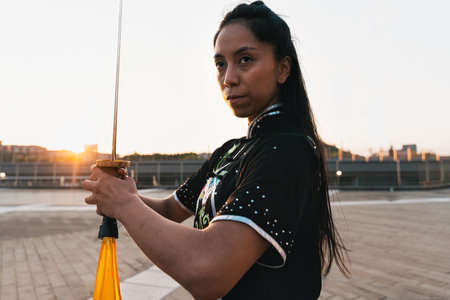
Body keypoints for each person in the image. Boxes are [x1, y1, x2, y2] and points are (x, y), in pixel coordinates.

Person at [82, 1, 349, 299]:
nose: (228, 78)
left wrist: (124, 205)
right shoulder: (230, 152)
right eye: (220, 63)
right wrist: (122, 193)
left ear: (283, 68)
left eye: (245, 59)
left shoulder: (289, 149)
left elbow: (208, 270)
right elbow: (170, 210)